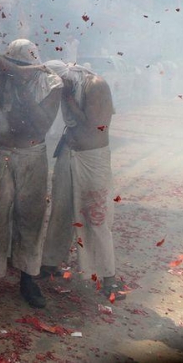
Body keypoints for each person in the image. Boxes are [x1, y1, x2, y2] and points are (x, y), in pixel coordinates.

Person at [0, 39, 62, 309]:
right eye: (16, 65)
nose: (21, 70)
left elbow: (42, 124)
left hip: (32, 155)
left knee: (31, 218)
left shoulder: (50, 83)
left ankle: (28, 278)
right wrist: (8, 67)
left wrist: (21, 83)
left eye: (24, 66)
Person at [39, 60, 124, 301]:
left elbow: (94, 127)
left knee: (96, 217)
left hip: (92, 160)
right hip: (69, 154)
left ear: (65, 79)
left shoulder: (95, 85)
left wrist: (68, 99)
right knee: (61, 210)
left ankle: (108, 277)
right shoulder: (66, 86)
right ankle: (50, 263)